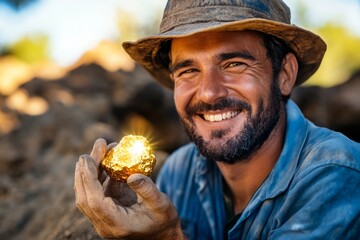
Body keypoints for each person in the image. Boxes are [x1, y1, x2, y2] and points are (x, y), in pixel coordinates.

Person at [74, 0, 360, 239]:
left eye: (234, 64)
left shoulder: (338, 175)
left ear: (284, 75)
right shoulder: (179, 171)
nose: (209, 92)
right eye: (188, 71)